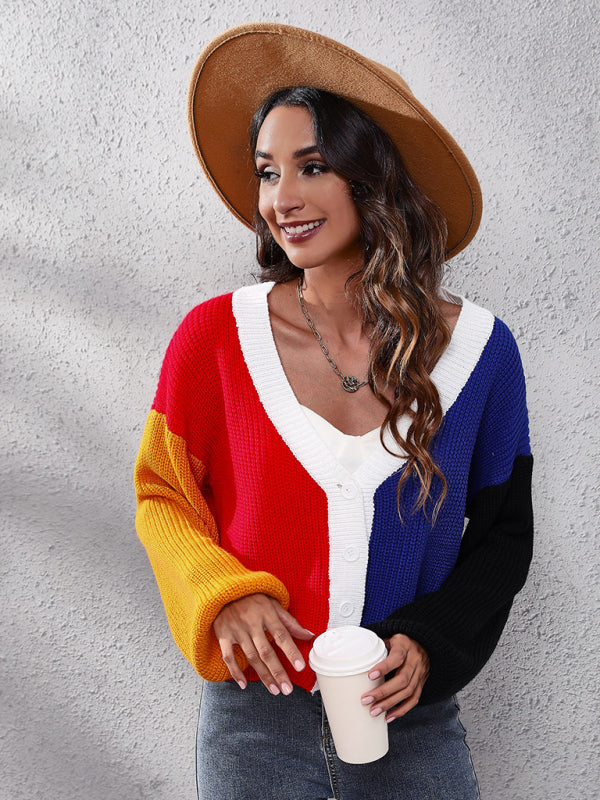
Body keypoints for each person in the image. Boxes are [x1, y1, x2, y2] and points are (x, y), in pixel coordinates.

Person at [134, 22, 533, 800]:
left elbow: (504, 534)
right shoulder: (214, 338)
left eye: (312, 167)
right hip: (254, 723)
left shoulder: (483, 352)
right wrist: (222, 592)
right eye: (267, 173)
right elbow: (162, 496)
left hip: (410, 720)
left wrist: (431, 641)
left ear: (373, 178)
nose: (281, 200)